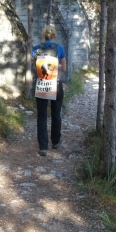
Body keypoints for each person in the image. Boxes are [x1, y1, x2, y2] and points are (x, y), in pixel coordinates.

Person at [31, 26, 66, 156]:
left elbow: (35, 64)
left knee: (41, 116)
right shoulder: (59, 48)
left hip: (42, 83)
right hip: (56, 83)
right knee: (56, 113)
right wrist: (58, 65)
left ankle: (43, 147)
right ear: (54, 36)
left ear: (43, 35)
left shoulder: (36, 48)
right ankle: (56, 142)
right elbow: (64, 68)